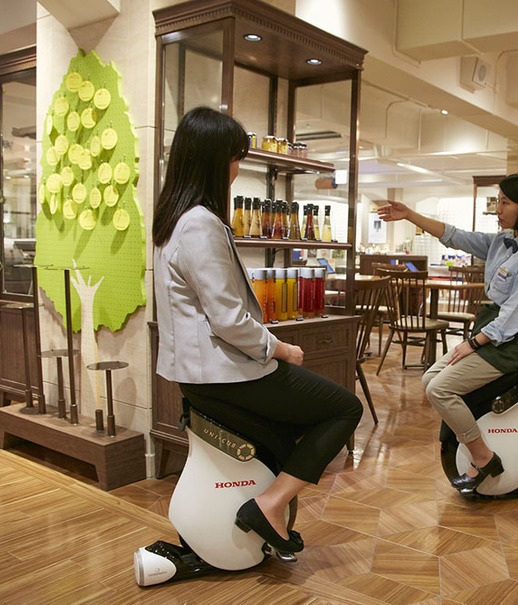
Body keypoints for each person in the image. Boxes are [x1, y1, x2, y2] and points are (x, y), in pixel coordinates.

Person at [152, 107, 362, 553]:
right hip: (224, 373)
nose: (236, 169)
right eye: (234, 158)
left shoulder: (173, 219)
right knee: (344, 408)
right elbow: (227, 318)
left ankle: (268, 506)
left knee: (290, 430)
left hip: (199, 374)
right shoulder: (201, 224)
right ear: (213, 160)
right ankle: (269, 504)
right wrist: (280, 349)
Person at [376, 172, 518, 494]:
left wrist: (472, 344)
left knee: (440, 389)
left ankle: (484, 457)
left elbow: (513, 319)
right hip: (491, 331)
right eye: (497, 200)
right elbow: (455, 236)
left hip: (511, 343)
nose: (497, 208)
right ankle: (476, 442)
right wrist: (410, 215)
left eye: (505, 202)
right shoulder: (503, 241)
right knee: (431, 380)